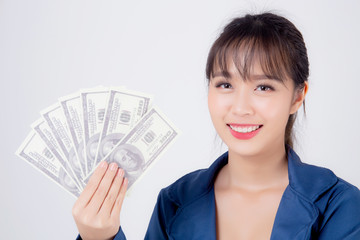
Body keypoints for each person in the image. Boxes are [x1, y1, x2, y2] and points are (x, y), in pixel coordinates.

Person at [72, 12, 360, 240]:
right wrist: (101, 238)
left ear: (297, 97)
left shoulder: (340, 205)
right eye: (225, 84)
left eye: (263, 87)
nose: (240, 107)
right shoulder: (174, 201)